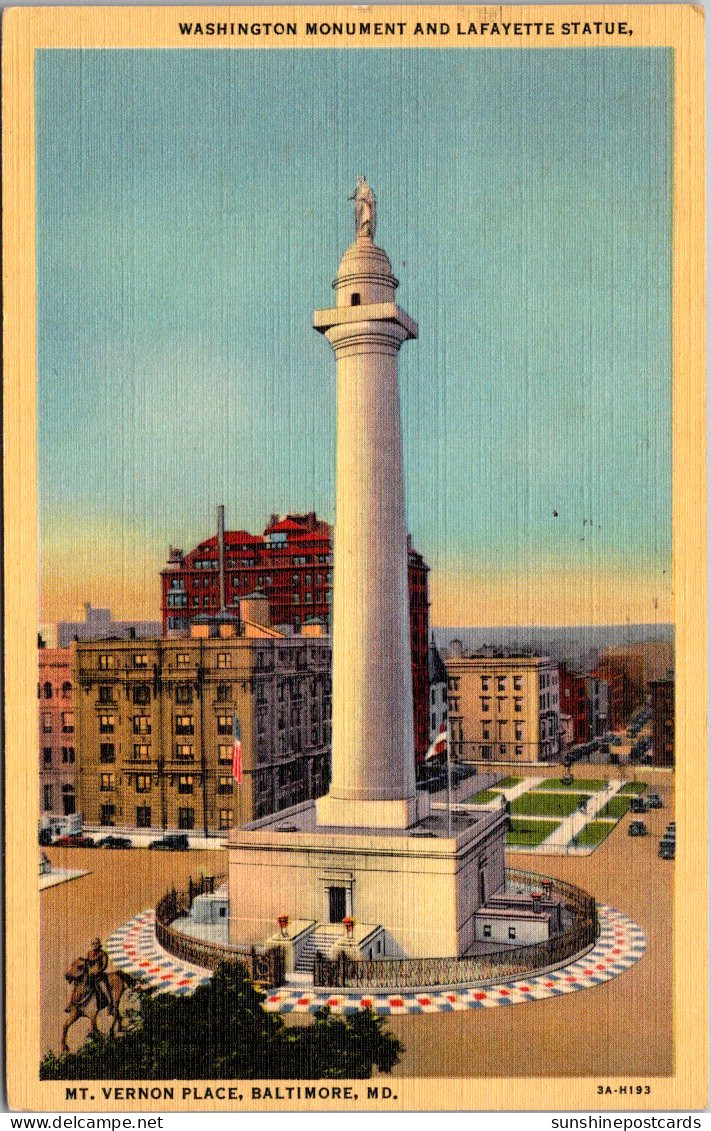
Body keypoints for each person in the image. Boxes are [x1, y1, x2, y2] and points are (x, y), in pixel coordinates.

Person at [86, 937, 113, 1012]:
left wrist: (98, 971)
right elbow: (87, 963)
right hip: (90, 974)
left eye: (96, 943)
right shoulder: (89, 953)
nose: (94, 945)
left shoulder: (103, 953)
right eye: (93, 943)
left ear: (99, 944)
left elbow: (104, 966)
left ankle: (110, 1004)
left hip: (99, 975)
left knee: (103, 987)